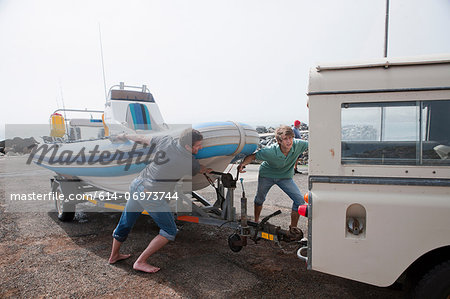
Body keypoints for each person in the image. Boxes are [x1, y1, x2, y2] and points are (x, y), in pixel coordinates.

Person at [108, 129, 211, 273]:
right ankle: (140, 261)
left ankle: (114, 256)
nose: (201, 147)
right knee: (169, 230)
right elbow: (199, 169)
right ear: (188, 147)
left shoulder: (166, 140)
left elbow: (142, 138)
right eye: (198, 145)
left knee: (126, 222)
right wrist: (207, 169)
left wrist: (123, 135)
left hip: (137, 184)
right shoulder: (189, 162)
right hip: (151, 195)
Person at [238, 125, 308, 239]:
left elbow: (315, 143)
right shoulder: (270, 151)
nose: (289, 141)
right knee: (260, 198)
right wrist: (242, 165)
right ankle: (256, 222)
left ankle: (293, 230)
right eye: (285, 139)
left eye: (290, 138)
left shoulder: (299, 144)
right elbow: (253, 156)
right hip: (267, 175)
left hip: (285, 177)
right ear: (279, 141)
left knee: (299, 201)